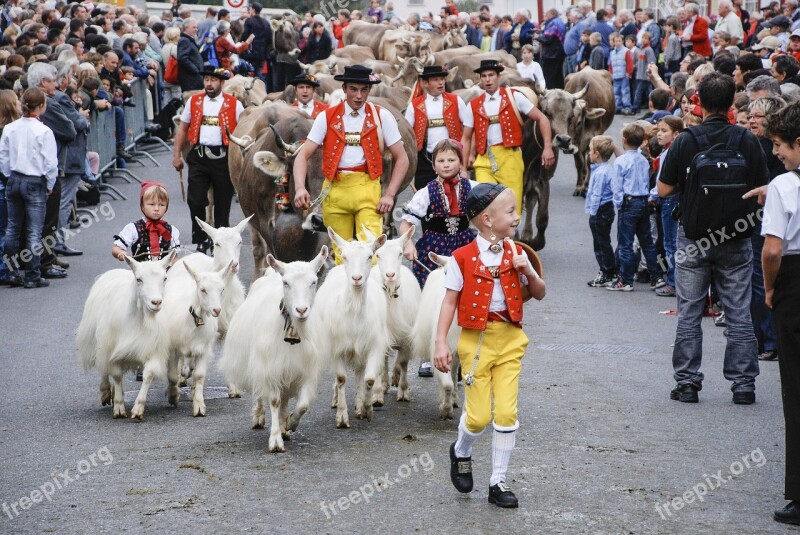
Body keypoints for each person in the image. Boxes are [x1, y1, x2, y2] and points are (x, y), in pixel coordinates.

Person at [433, 182, 546, 509]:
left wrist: (529, 272)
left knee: (508, 412)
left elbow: (539, 292)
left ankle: (498, 481)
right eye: (510, 211)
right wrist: (441, 342)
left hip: (510, 339)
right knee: (478, 417)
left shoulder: (518, 252)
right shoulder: (461, 258)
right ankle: (461, 450)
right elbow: (448, 301)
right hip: (476, 343)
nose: (516, 217)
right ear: (486, 219)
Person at [658, 72, 768, 404]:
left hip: (694, 237)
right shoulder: (745, 140)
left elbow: (664, 189)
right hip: (736, 235)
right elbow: (760, 189)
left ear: (700, 103)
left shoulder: (686, 140)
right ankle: (743, 384)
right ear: (732, 104)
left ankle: (688, 382)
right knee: (738, 310)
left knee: (689, 309)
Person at [292, 65, 410, 263]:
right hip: (335, 190)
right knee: (341, 257)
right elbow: (302, 156)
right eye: (354, 89)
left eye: (364, 90)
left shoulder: (382, 117)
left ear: (369, 90)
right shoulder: (326, 117)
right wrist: (299, 188)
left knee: (371, 255)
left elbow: (403, 158)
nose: (359, 96)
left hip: (367, 188)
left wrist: (390, 194)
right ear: (344, 89)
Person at [759, 101, 800, 526]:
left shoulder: (786, 186)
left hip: (794, 279)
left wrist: (770, 287)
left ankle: (799, 496)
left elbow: (772, 249)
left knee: (796, 389)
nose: (776, 154)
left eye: (780, 145)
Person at [462, 59, 554, 216]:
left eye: (491, 75)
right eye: (484, 76)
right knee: (485, 206)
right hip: (484, 159)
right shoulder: (473, 104)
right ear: (480, 79)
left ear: (498, 77)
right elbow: (466, 138)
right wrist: (463, 168)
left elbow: (542, 119)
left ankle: (508, 239)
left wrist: (547, 147)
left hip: (510, 157)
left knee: (512, 208)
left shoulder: (514, 98)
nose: (488, 79)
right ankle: (491, 240)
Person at [172, 66, 244, 255]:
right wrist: (176, 155)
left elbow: (244, 129)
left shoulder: (234, 104)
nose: (209, 84)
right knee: (195, 200)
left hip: (224, 159)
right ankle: (200, 239)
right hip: (199, 157)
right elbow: (182, 128)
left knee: (222, 204)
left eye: (213, 80)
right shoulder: (193, 101)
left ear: (221, 82)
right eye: (206, 80)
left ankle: (220, 242)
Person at [0, 87, 58, 289]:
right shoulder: (44, 131)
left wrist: (9, 177)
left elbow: (3, 158)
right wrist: (50, 184)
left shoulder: (10, 128)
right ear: (41, 106)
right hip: (35, 180)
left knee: (12, 228)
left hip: (14, 178)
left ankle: (12, 272)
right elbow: (51, 163)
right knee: (34, 230)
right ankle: (32, 274)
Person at [747, 96, 785, 361]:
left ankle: (768, 340)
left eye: (758, 117)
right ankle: (763, 338)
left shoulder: (767, 148)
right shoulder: (762, 144)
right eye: (750, 116)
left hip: (763, 220)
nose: (752, 120)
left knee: (761, 280)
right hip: (761, 218)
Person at [608, 123, 662, 291]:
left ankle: (625, 279)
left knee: (626, 243)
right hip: (643, 201)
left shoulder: (620, 161)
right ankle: (656, 276)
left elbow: (617, 186)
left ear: (624, 140)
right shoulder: (644, 161)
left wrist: (618, 203)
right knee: (647, 242)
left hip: (629, 202)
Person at [404, 65, 472, 190]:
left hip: (452, 158)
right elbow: (407, 135)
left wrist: (464, 167)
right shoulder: (414, 105)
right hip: (425, 161)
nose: (441, 83)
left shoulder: (456, 101)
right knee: (425, 200)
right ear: (425, 83)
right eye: (436, 80)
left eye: (442, 79)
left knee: (454, 199)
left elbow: (469, 131)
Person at [651, 116, 684, 297]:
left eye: (664, 131)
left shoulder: (670, 153)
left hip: (670, 199)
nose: (659, 134)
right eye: (658, 130)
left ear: (676, 134)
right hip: (670, 198)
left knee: (671, 243)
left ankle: (673, 282)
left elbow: (664, 179)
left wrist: (653, 194)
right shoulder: (667, 151)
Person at [113, 181, 180, 262]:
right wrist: (120, 253)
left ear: (166, 207)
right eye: (151, 204)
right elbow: (116, 248)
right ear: (142, 206)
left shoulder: (171, 230)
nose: (156, 209)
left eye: (161, 205)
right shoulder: (133, 229)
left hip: (164, 273)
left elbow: (174, 257)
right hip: (140, 273)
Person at [585, 135, 617, 287]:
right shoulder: (607, 169)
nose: (588, 153)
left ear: (596, 154)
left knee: (600, 243)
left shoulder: (600, 172)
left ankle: (606, 272)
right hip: (608, 208)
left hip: (600, 210)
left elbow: (596, 194)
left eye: (590, 150)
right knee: (604, 241)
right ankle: (610, 271)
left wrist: (592, 211)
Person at [537, 8, 566, 89]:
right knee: (558, 78)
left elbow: (547, 39)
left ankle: (551, 96)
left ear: (551, 14)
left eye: (546, 13)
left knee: (549, 79)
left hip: (551, 55)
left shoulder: (553, 23)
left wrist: (538, 37)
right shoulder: (560, 22)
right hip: (558, 54)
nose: (545, 15)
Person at [609, 32, 634, 115]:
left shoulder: (626, 51)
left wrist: (628, 72)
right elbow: (610, 65)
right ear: (614, 42)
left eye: (619, 41)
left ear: (622, 42)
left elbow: (629, 62)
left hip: (624, 75)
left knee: (625, 91)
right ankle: (618, 106)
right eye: (616, 41)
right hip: (615, 75)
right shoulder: (612, 53)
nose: (618, 43)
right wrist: (610, 73)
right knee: (616, 92)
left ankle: (627, 106)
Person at [177, 18, 203, 92]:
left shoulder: (189, 40)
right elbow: (182, 58)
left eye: (196, 27)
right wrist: (195, 69)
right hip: (190, 81)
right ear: (186, 28)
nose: (196, 29)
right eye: (194, 27)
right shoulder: (185, 40)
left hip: (194, 80)